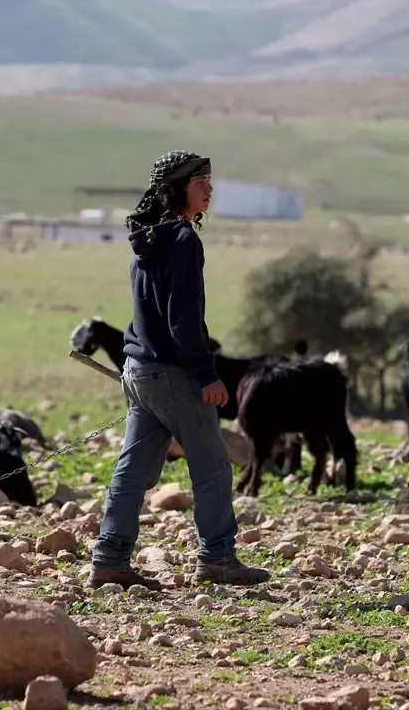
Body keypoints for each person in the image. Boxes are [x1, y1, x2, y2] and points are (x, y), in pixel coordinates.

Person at [88, 150, 271, 590]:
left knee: (133, 471)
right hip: (172, 374)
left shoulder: (149, 238)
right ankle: (218, 559)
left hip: (140, 371)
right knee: (211, 467)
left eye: (209, 180)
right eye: (200, 181)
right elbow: (183, 320)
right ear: (176, 189)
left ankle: (109, 559)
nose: (209, 189)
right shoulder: (185, 241)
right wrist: (207, 375)